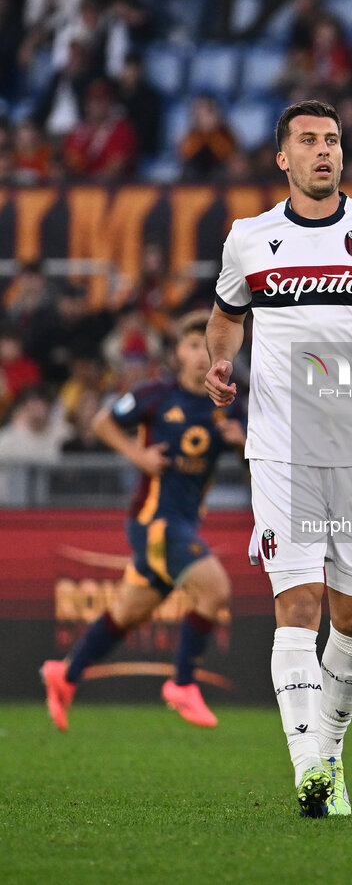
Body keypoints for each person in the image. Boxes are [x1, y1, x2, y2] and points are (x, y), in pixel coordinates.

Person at [204, 100, 352, 817]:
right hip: (281, 451)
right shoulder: (250, 239)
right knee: (297, 604)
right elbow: (225, 316)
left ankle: (331, 753)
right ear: (282, 157)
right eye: (307, 141)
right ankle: (308, 766)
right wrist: (220, 363)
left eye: (332, 141)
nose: (322, 152)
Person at [41, 311, 246, 732]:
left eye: (205, 348)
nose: (198, 356)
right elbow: (102, 422)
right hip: (154, 521)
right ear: (176, 353)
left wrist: (245, 444)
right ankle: (183, 684)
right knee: (216, 590)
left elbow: (256, 462)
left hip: (185, 522)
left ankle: (66, 673)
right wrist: (140, 457)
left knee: (127, 614)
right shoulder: (155, 395)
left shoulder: (227, 404)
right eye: (190, 346)